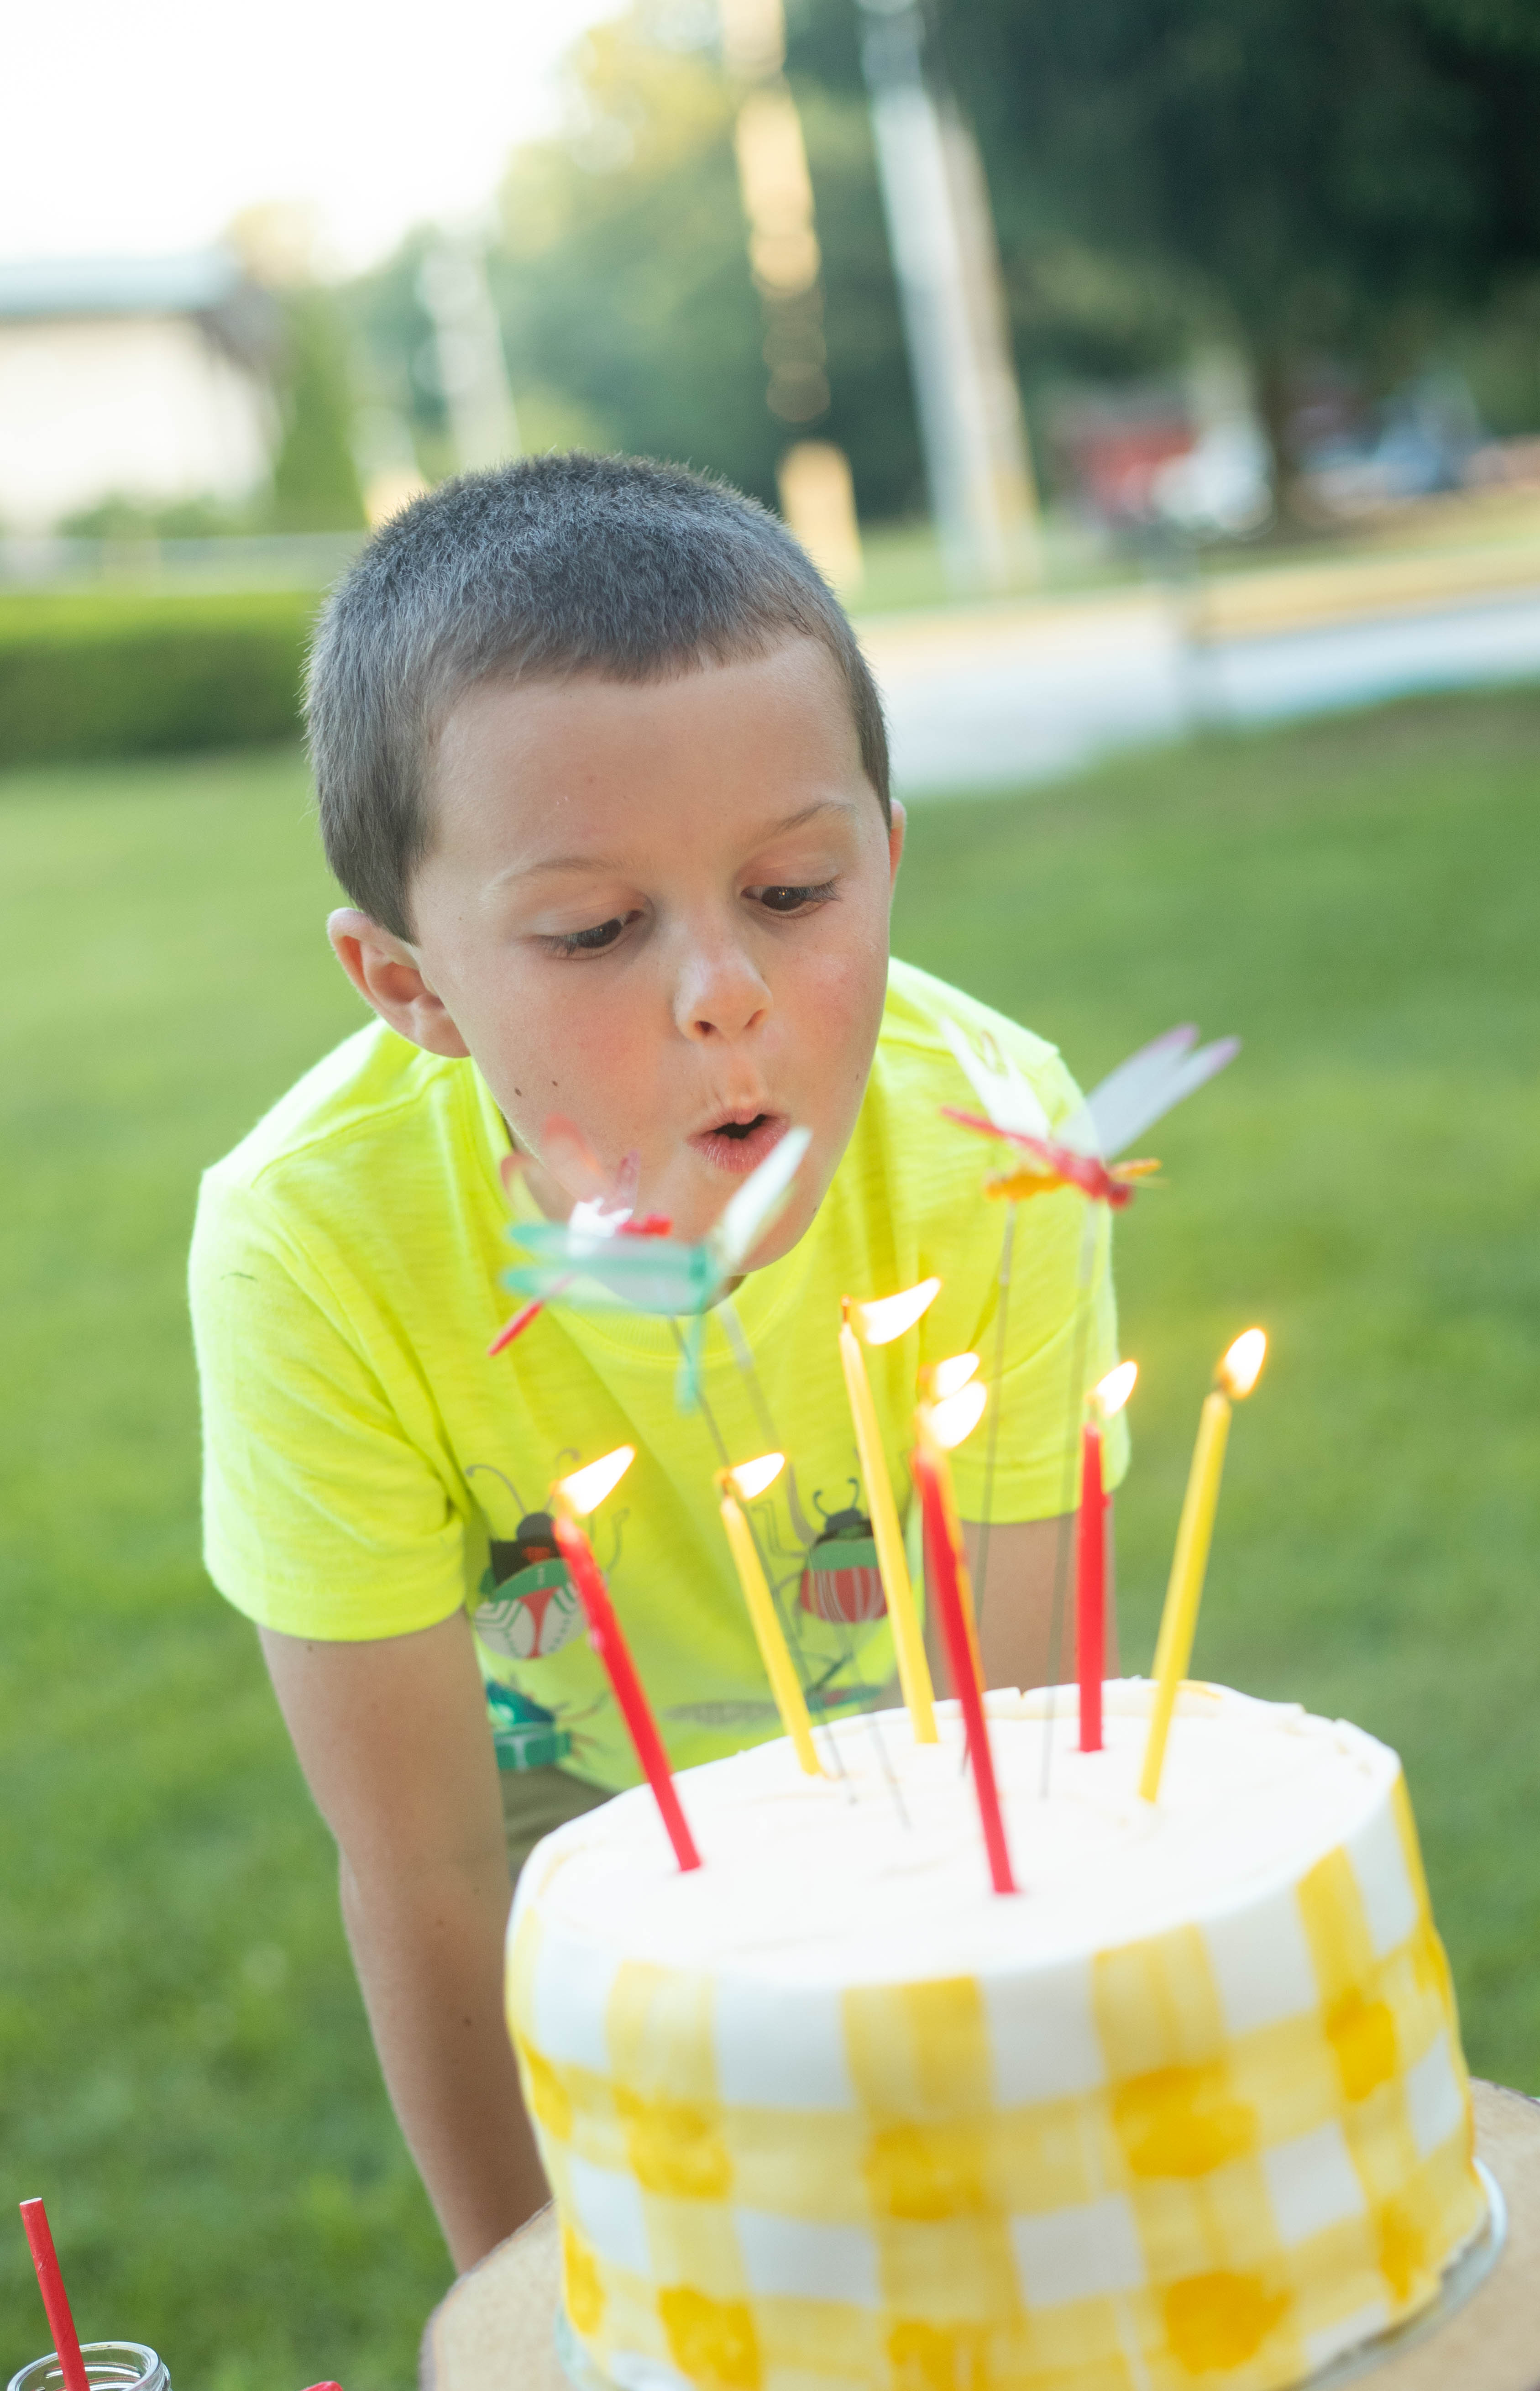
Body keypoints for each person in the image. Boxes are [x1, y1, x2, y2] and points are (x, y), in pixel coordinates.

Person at [191, 453, 1127, 2272]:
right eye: (596, 931)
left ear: (886, 859)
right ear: (410, 990)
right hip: (563, 1800)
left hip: (916, 1743)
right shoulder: (310, 1243)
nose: (722, 989)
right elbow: (432, 1873)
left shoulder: (1005, 1141)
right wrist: (527, 2313)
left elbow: (1020, 1754)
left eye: (792, 889)